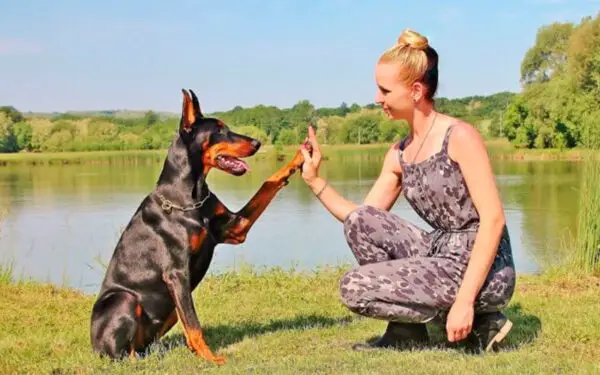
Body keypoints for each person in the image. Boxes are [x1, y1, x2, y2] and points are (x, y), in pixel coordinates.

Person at [298, 28, 516, 353]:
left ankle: (476, 317)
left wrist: (465, 302)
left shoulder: (460, 137)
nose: (376, 98)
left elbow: (494, 220)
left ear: (415, 91)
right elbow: (362, 218)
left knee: (354, 287)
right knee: (360, 223)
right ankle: (406, 333)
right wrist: (316, 181)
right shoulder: (399, 153)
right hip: (438, 251)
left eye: (384, 90)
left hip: (483, 266)